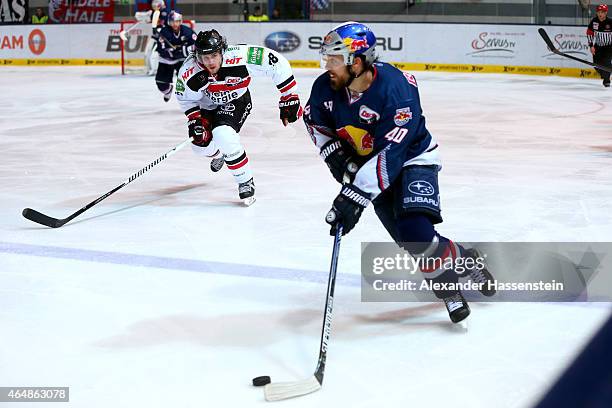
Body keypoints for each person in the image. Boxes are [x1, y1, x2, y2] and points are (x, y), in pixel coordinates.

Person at [303, 22, 495, 323]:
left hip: (412, 158)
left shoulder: (396, 89)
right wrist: (335, 156)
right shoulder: (324, 88)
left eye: (335, 59)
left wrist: (353, 198)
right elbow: (315, 123)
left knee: (415, 232)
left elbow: (391, 153)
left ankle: (448, 291)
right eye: (327, 58)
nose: (328, 65)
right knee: (414, 244)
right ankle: (464, 257)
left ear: (357, 61)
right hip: (370, 166)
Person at [175, 30, 303, 205]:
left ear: (222, 51)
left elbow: (276, 61)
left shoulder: (240, 56)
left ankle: (245, 181)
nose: (210, 62)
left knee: (223, 134)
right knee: (199, 147)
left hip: (237, 101)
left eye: (214, 55)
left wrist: (289, 95)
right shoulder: (189, 72)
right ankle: (220, 152)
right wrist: (195, 119)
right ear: (197, 56)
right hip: (208, 105)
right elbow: (185, 98)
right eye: (205, 57)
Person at [155, 11, 196, 102]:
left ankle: (191, 99)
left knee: (187, 82)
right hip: (166, 61)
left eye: (177, 21)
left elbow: (196, 45)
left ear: (180, 21)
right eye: (173, 21)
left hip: (182, 61)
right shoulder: (164, 32)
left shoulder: (187, 31)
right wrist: (171, 52)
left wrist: (183, 51)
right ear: (169, 22)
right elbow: (161, 49)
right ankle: (168, 91)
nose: (175, 24)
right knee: (161, 84)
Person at [587, 4, 612, 87]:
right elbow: (590, 33)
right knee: (596, 65)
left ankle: (606, 79)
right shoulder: (594, 21)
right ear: (597, 13)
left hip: (609, 47)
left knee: (606, 63)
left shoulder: (610, 22)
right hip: (598, 46)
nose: (600, 14)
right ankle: (605, 75)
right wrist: (591, 46)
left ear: (606, 13)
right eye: (599, 12)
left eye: (603, 12)